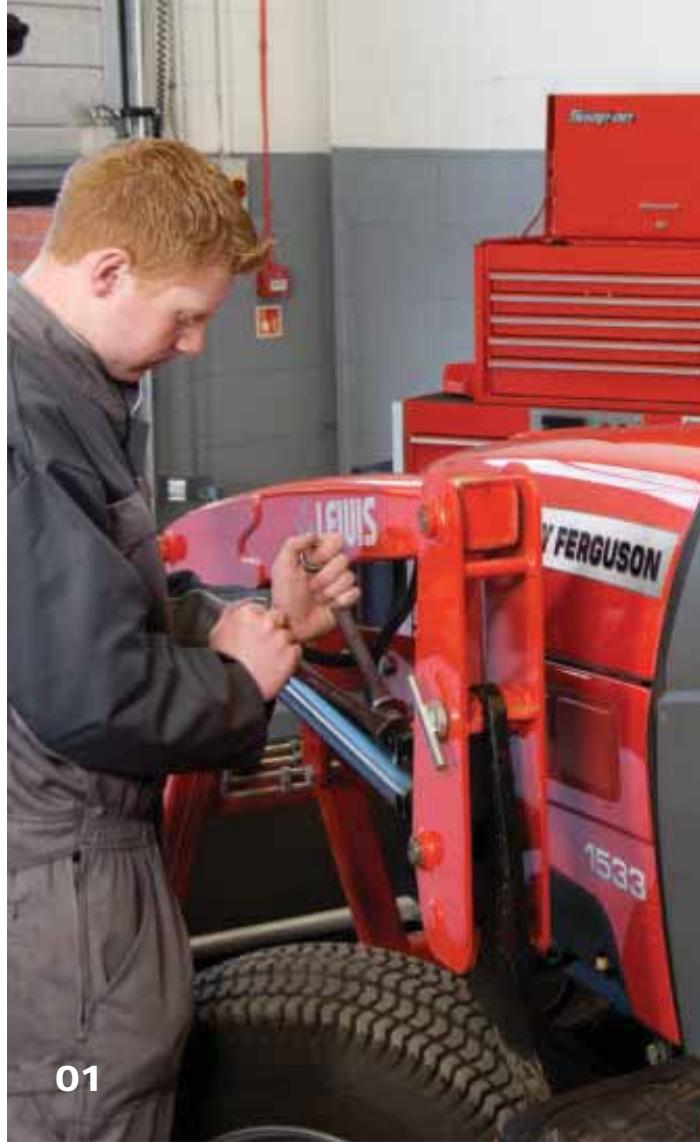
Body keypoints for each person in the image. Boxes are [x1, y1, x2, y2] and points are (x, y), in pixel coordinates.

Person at [7, 138, 359, 1141]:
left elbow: (102, 602)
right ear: (109, 269)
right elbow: (89, 689)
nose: (196, 345)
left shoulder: (64, 383)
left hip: (64, 858)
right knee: (84, 1101)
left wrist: (255, 613)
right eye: (188, 315)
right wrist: (238, 686)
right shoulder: (27, 422)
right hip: (53, 875)